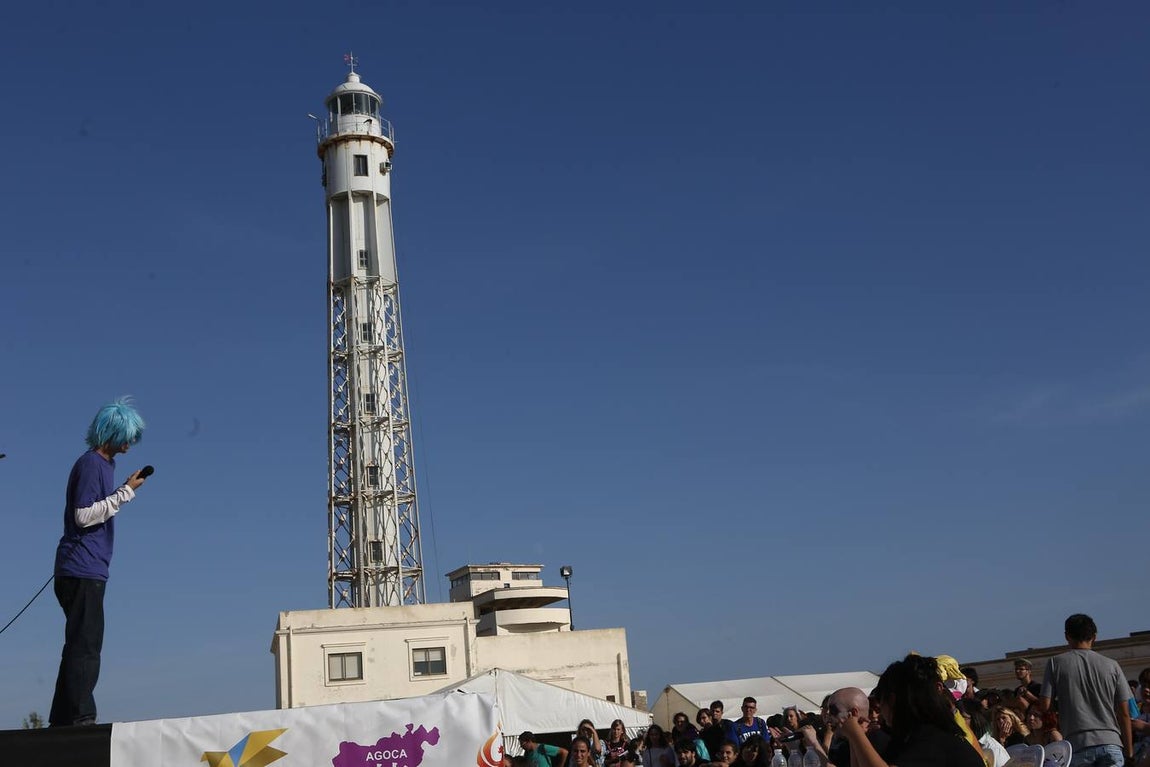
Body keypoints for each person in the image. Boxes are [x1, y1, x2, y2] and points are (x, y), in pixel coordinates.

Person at [49, 397, 148, 728]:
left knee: (77, 643)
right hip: (82, 567)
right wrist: (126, 493)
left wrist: (122, 489)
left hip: (79, 567)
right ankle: (80, 717)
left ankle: (62, 718)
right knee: (87, 646)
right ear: (115, 433)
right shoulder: (93, 464)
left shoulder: (101, 465)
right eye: (129, 436)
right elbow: (83, 515)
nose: (131, 443)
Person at [838, 654, 983, 767]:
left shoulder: (931, 737)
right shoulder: (910, 738)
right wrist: (854, 738)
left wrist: (855, 734)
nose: (881, 711)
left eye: (880, 704)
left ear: (892, 700)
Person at [1039, 613, 1134, 767]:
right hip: (1111, 742)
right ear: (1094, 637)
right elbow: (1124, 713)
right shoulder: (1112, 665)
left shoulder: (1055, 663)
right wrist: (1129, 753)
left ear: (1067, 636)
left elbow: (1045, 705)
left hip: (1077, 745)